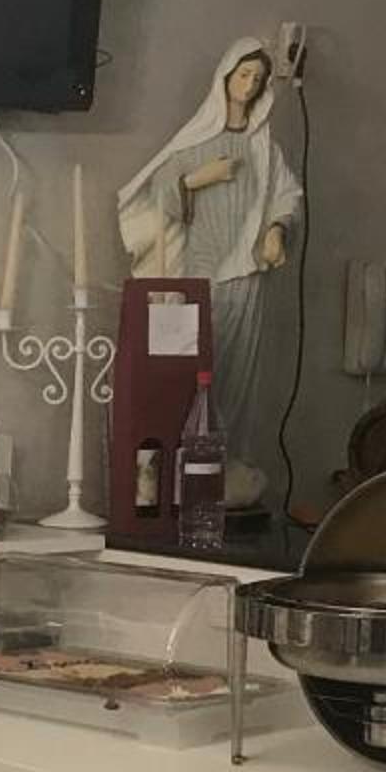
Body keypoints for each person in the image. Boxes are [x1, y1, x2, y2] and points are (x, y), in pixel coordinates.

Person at [115, 37, 305, 491]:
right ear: (225, 77)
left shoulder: (264, 148)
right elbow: (159, 194)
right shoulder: (197, 139)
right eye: (243, 75)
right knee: (197, 374)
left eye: (258, 79)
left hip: (247, 276)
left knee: (239, 378)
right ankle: (188, 467)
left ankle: (227, 465)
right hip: (201, 276)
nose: (250, 84)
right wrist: (200, 178)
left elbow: (286, 195)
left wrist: (277, 229)